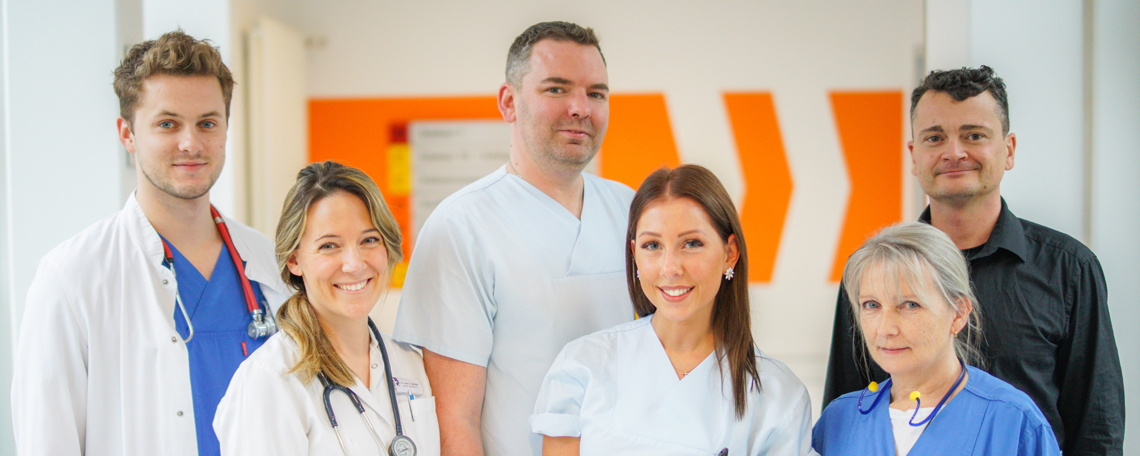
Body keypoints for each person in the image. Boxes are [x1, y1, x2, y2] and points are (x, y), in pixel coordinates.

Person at [11, 30, 288, 455]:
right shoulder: (72, 278)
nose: (191, 143)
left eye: (207, 123)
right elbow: (46, 442)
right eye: (167, 124)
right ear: (127, 134)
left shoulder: (268, 263)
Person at [822, 66, 1124, 455]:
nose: (954, 153)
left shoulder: (1069, 269)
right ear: (914, 155)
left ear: (1009, 150)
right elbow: (848, 413)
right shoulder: (873, 273)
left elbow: (1097, 429)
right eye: (935, 138)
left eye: (974, 135)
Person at [392, 21, 635, 456]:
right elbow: (454, 423)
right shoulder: (461, 226)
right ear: (509, 102)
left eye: (596, 93)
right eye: (556, 89)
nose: (581, 108)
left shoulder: (632, 211)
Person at [532, 164, 814, 455]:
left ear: (730, 253)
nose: (670, 268)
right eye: (652, 245)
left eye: (691, 243)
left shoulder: (778, 396)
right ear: (634, 254)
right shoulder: (582, 367)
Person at [214, 161, 440, 455]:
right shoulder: (270, 379)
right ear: (294, 260)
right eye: (329, 246)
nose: (355, 264)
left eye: (369, 240)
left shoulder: (412, 364)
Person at [813, 222, 1060, 455]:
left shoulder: (1013, 421)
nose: (885, 329)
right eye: (871, 305)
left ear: (959, 313)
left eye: (910, 304)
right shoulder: (839, 420)